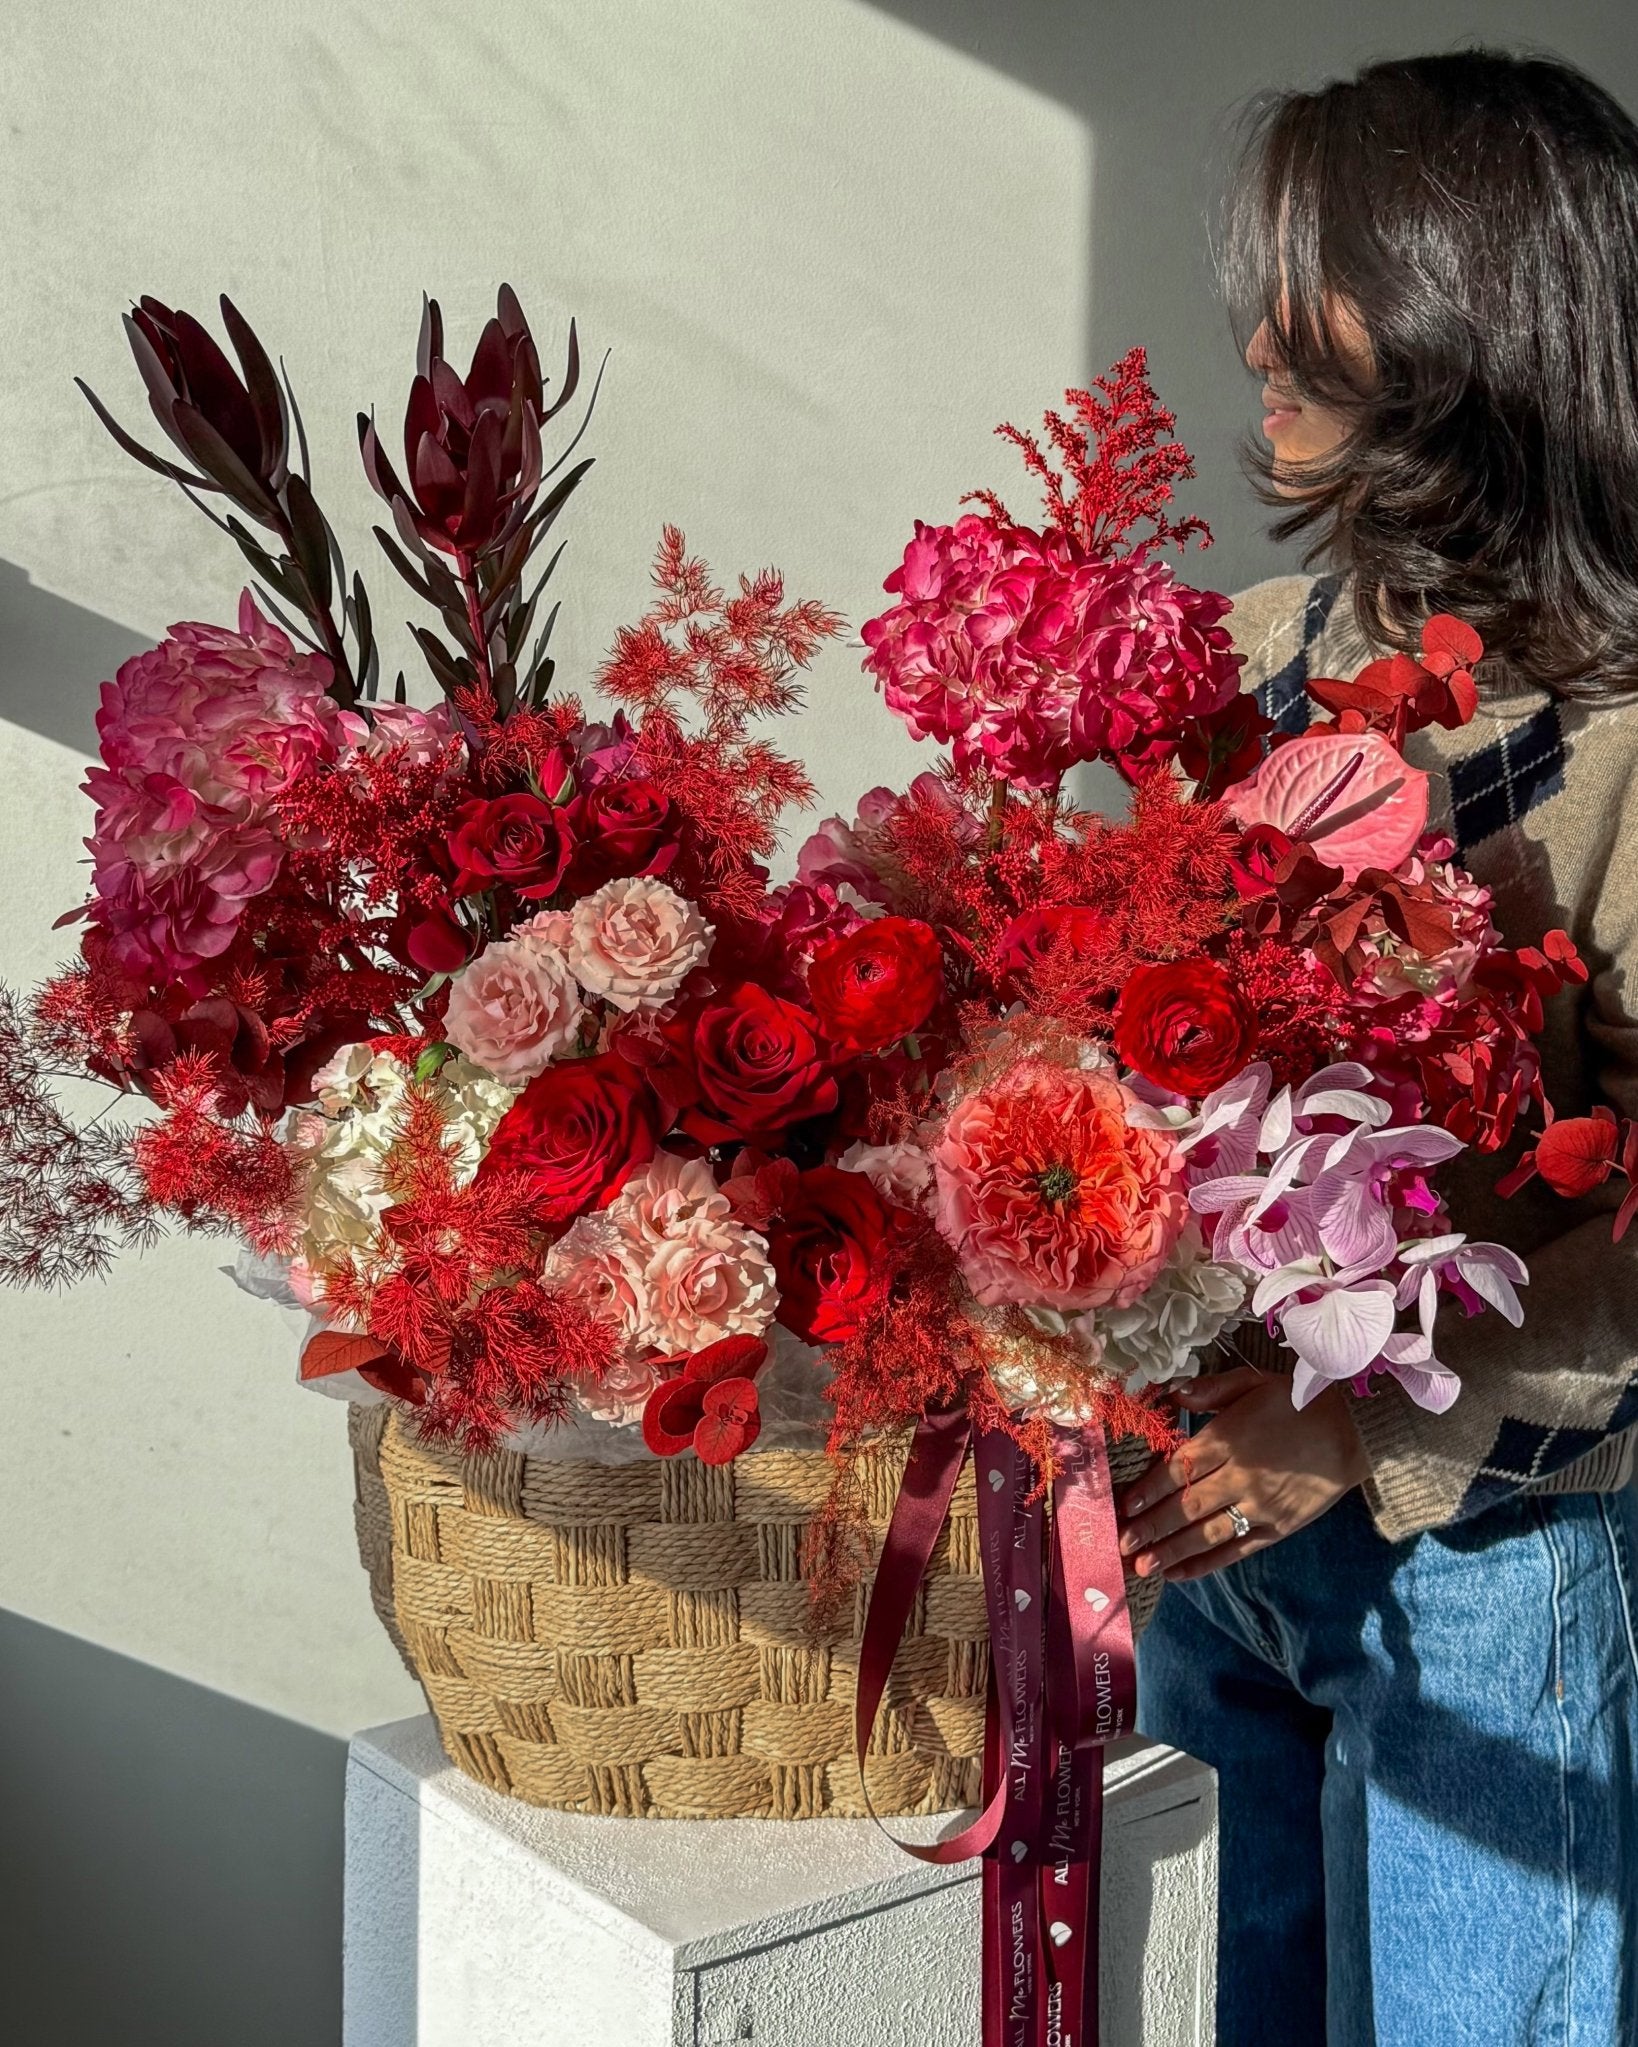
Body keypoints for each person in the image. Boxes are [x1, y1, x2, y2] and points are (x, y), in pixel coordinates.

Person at [1125, 50, 1638, 2047]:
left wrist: (1349, 1428)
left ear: (1468, 304)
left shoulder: (1619, 741)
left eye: (1311, 278)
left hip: (1484, 1561)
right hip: (1209, 1548)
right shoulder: (1248, 656)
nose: (1254, 334)